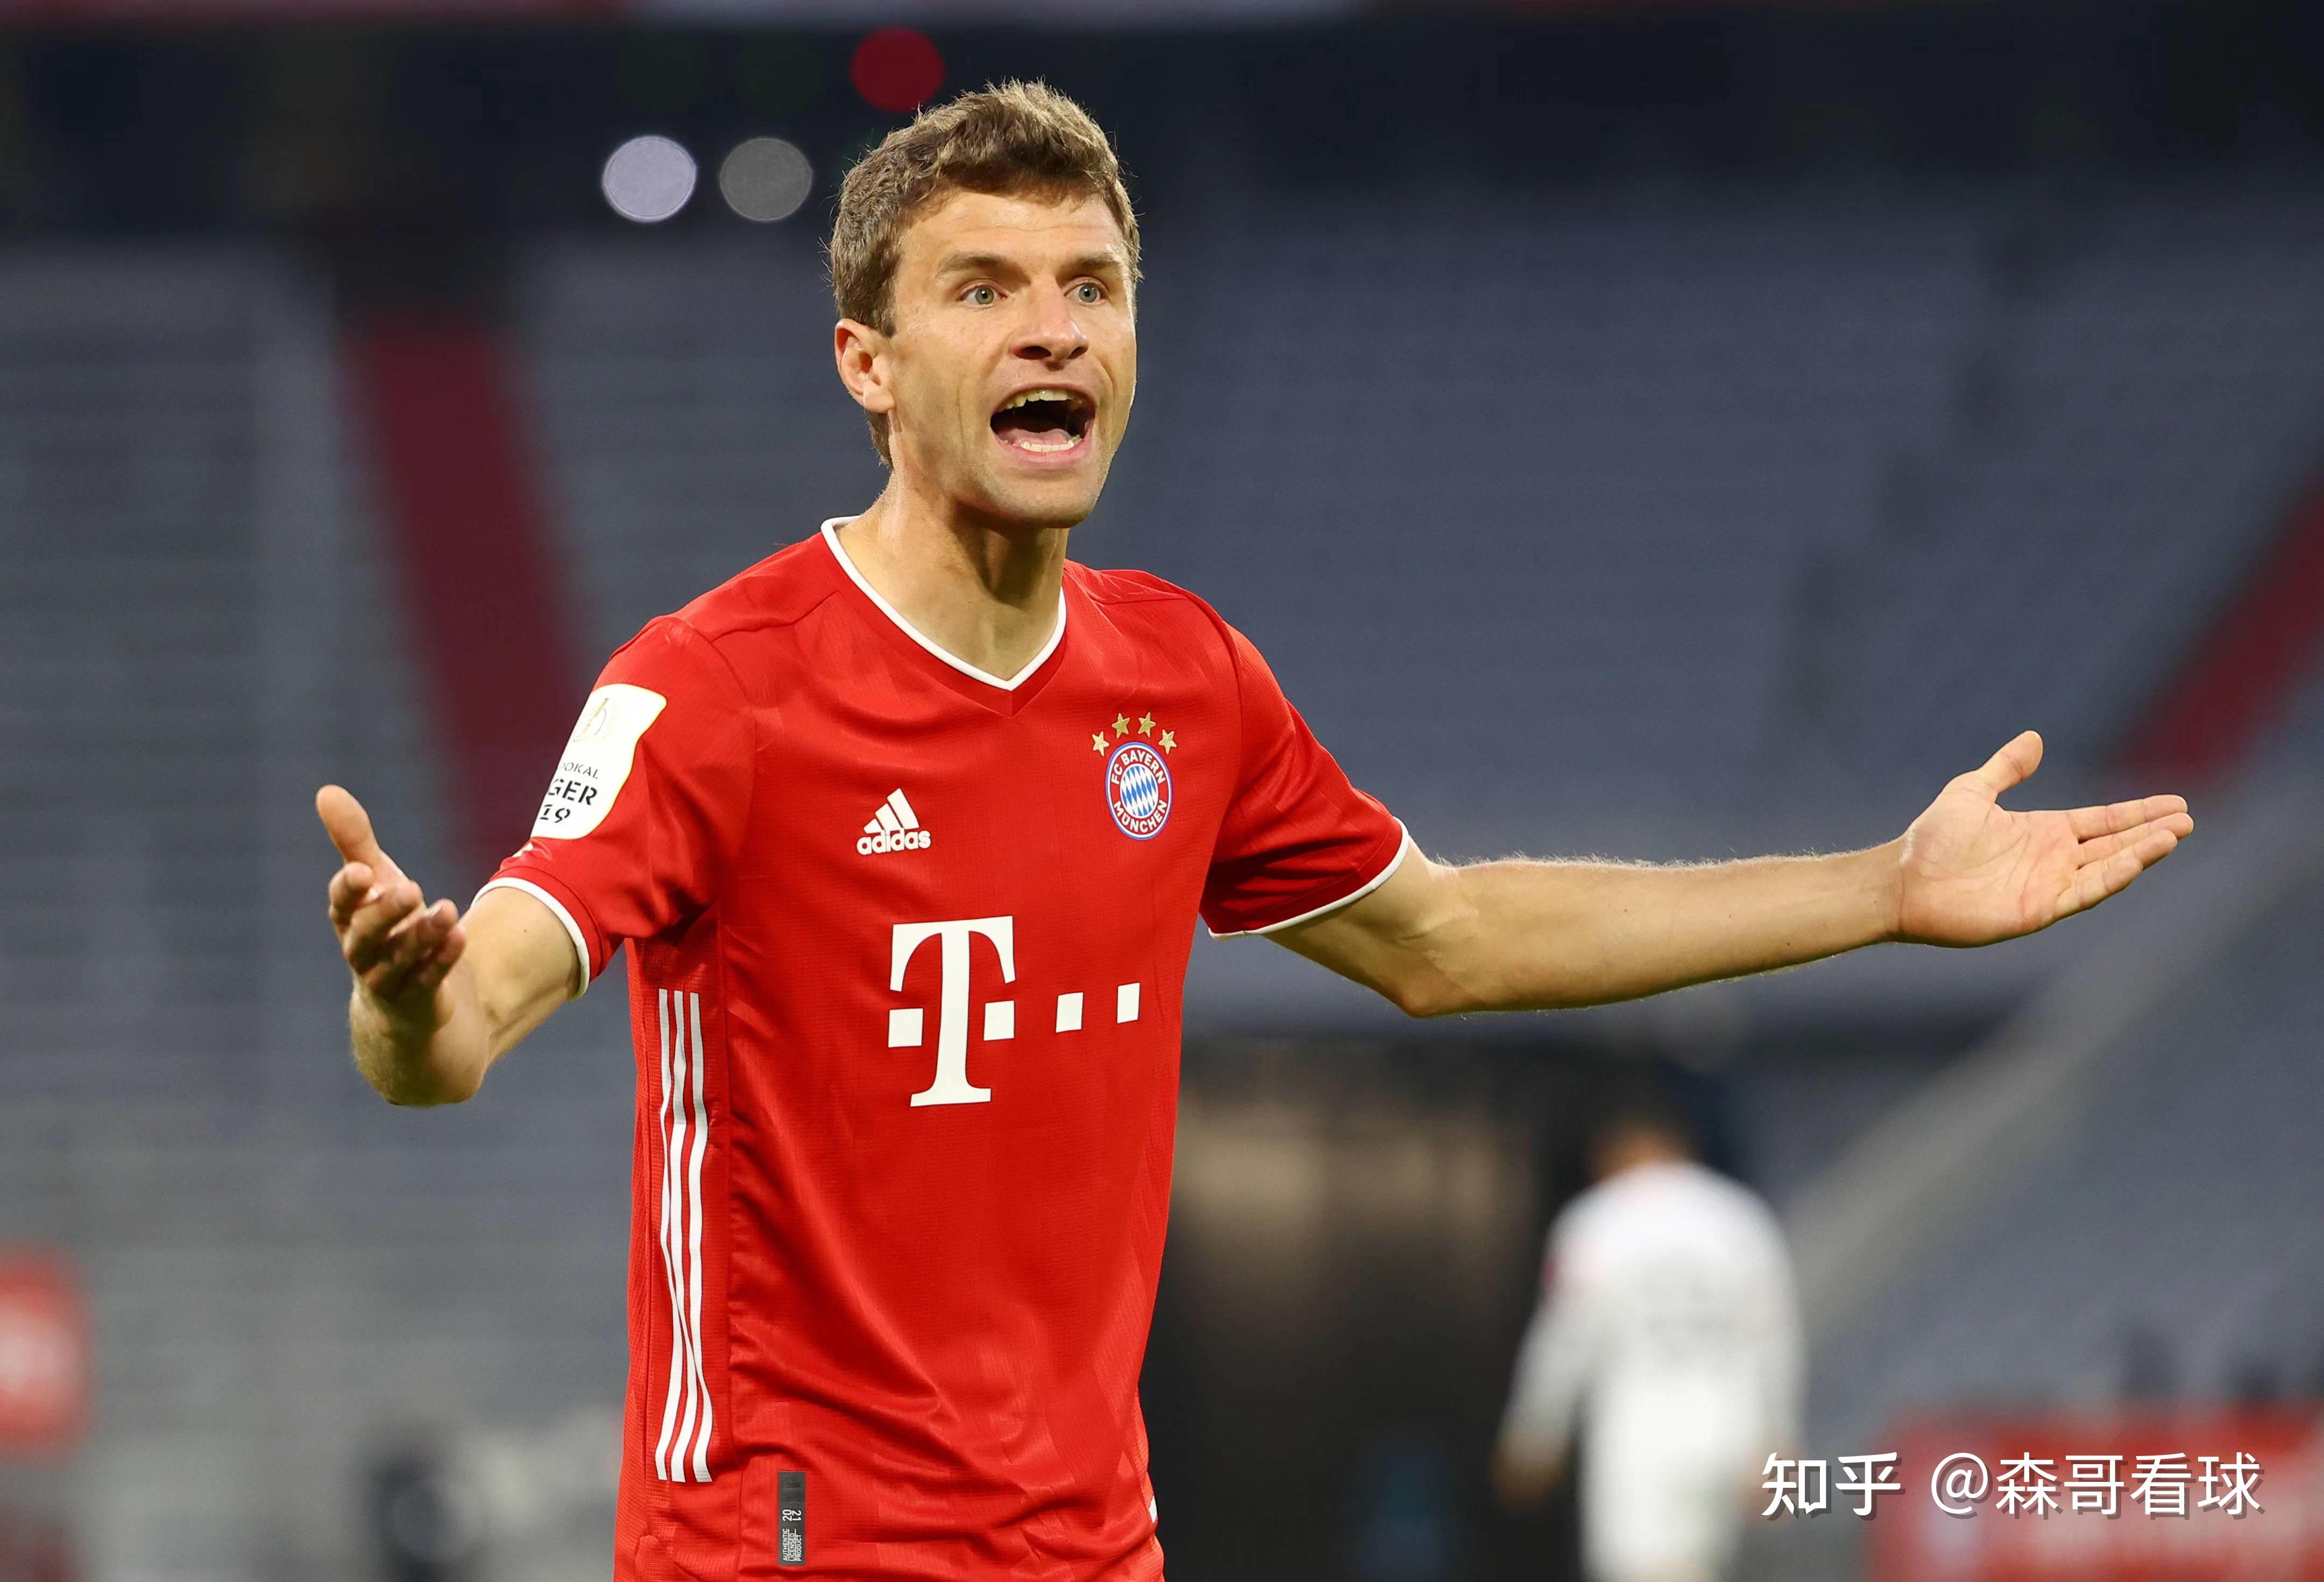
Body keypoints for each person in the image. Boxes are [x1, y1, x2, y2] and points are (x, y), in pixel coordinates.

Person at [314, 82, 2193, 1582]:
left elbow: (1451, 940)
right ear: (867, 364)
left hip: (1091, 1538)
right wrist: (408, 992)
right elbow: (459, 1030)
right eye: (985, 289)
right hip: (790, 1540)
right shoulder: (718, 686)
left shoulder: (1182, 680)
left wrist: (1883, 889)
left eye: (1092, 285)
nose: (1054, 329)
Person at [1492, 1091, 1800, 1582]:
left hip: (1637, 1429)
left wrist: (1535, 1433)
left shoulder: (1596, 1222)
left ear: (1615, 1150)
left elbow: (1566, 1341)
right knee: (1698, 1568)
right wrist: (1778, 1440)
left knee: (1637, 1570)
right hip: (1726, 1423)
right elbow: (1775, 1339)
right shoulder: (1741, 1219)